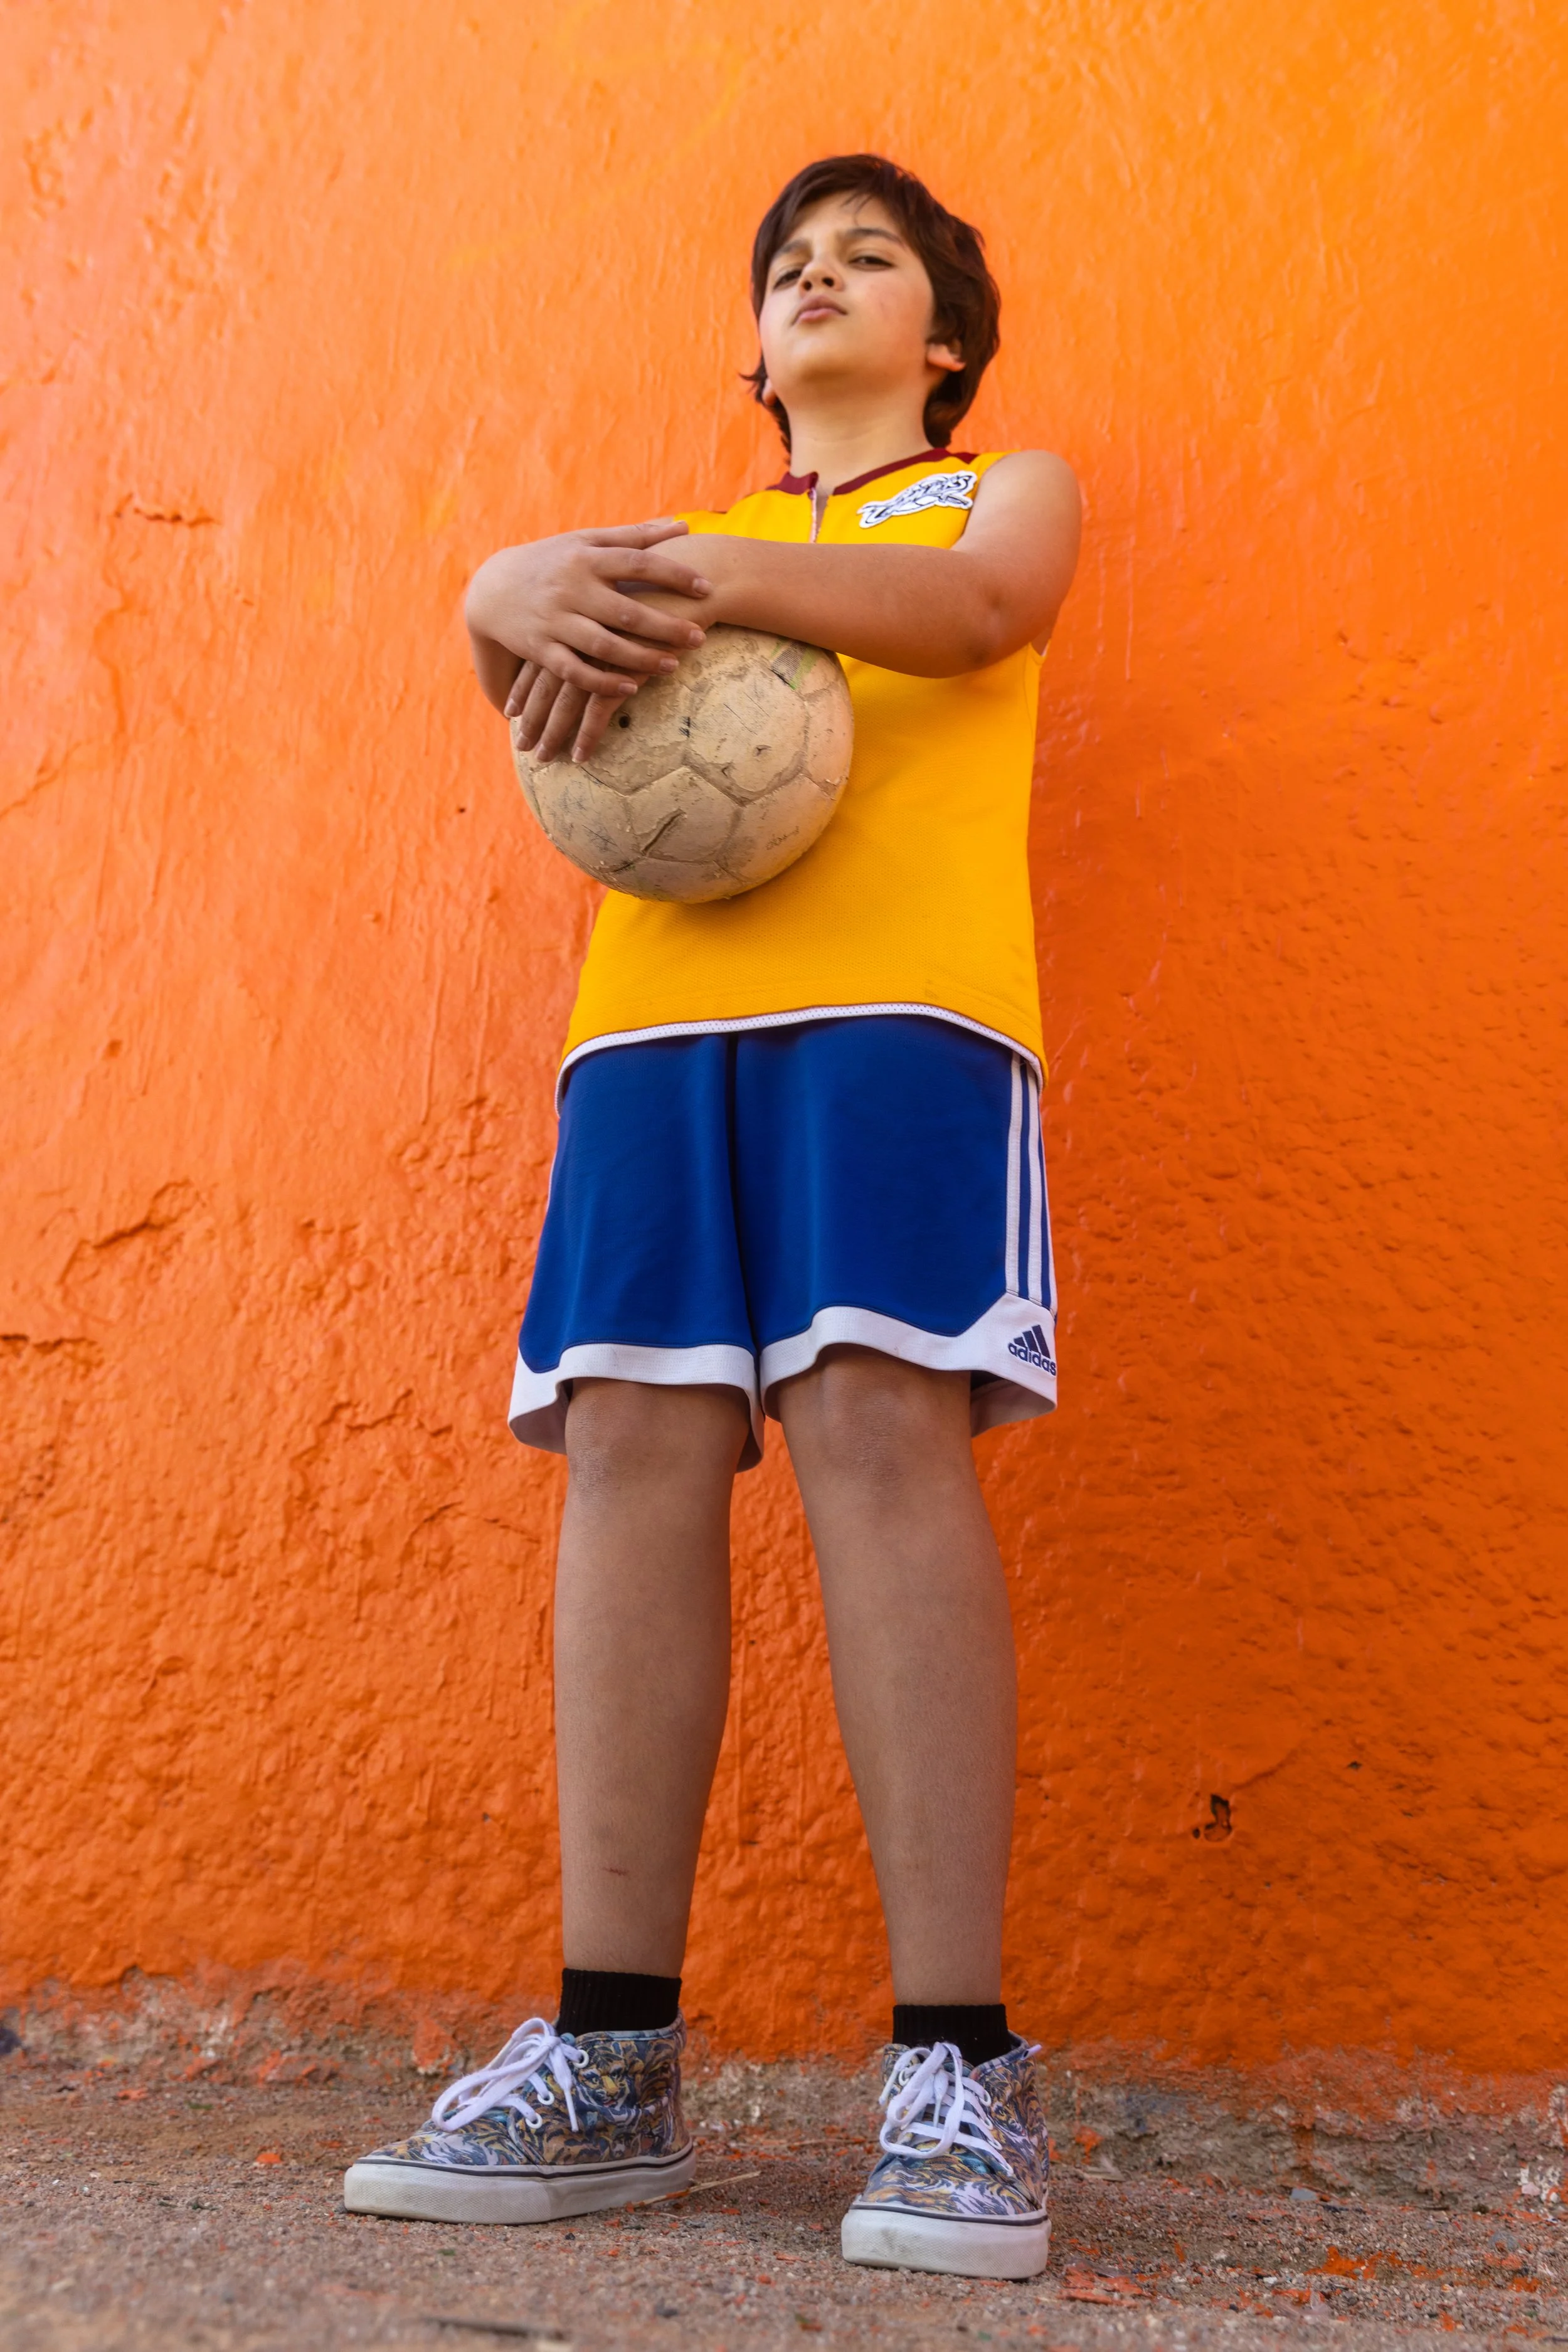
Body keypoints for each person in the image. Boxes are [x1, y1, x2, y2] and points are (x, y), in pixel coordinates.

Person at [344, 153, 1081, 2282]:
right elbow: (517, 671)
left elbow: (981, 615)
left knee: (876, 1428)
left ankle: (957, 2068)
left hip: (905, 1015)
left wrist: (685, 576)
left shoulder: (993, 489)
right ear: (751, 347)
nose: (818, 279)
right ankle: (611, 2056)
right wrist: (497, 586)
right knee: (631, 1448)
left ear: (944, 334)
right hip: (653, 1029)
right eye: (786, 267)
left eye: (869, 258)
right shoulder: (656, 548)